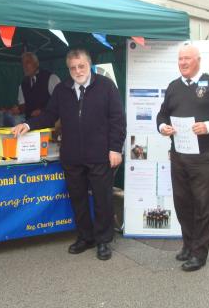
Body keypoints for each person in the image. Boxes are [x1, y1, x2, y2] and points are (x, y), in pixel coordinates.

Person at [12, 49, 125, 260]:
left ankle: (103, 241)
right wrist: (27, 124)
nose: (77, 71)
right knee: (78, 199)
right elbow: (49, 115)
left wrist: (115, 148)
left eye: (81, 66)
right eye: (73, 67)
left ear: (88, 65)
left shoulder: (105, 86)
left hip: (100, 154)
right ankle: (85, 237)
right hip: (72, 155)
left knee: (102, 199)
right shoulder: (62, 89)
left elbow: (117, 119)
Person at [156, 43, 209, 271]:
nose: (182, 63)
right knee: (183, 203)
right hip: (179, 155)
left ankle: (199, 253)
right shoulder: (173, 87)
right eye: (180, 59)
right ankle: (189, 244)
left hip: (204, 155)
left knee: (203, 204)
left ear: (198, 60)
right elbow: (162, 114)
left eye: (187, 59)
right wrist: (162, 126)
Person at [13, 52, 60, 118]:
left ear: (36, 63)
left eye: (27, 62)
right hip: (31, 125)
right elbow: (22, 106)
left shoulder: (51, 78)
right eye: (23, 64)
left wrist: (43, 110)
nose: (24, 66)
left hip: (49, 124)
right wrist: (18, 109)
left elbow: (60, 101)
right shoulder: (23, 84)